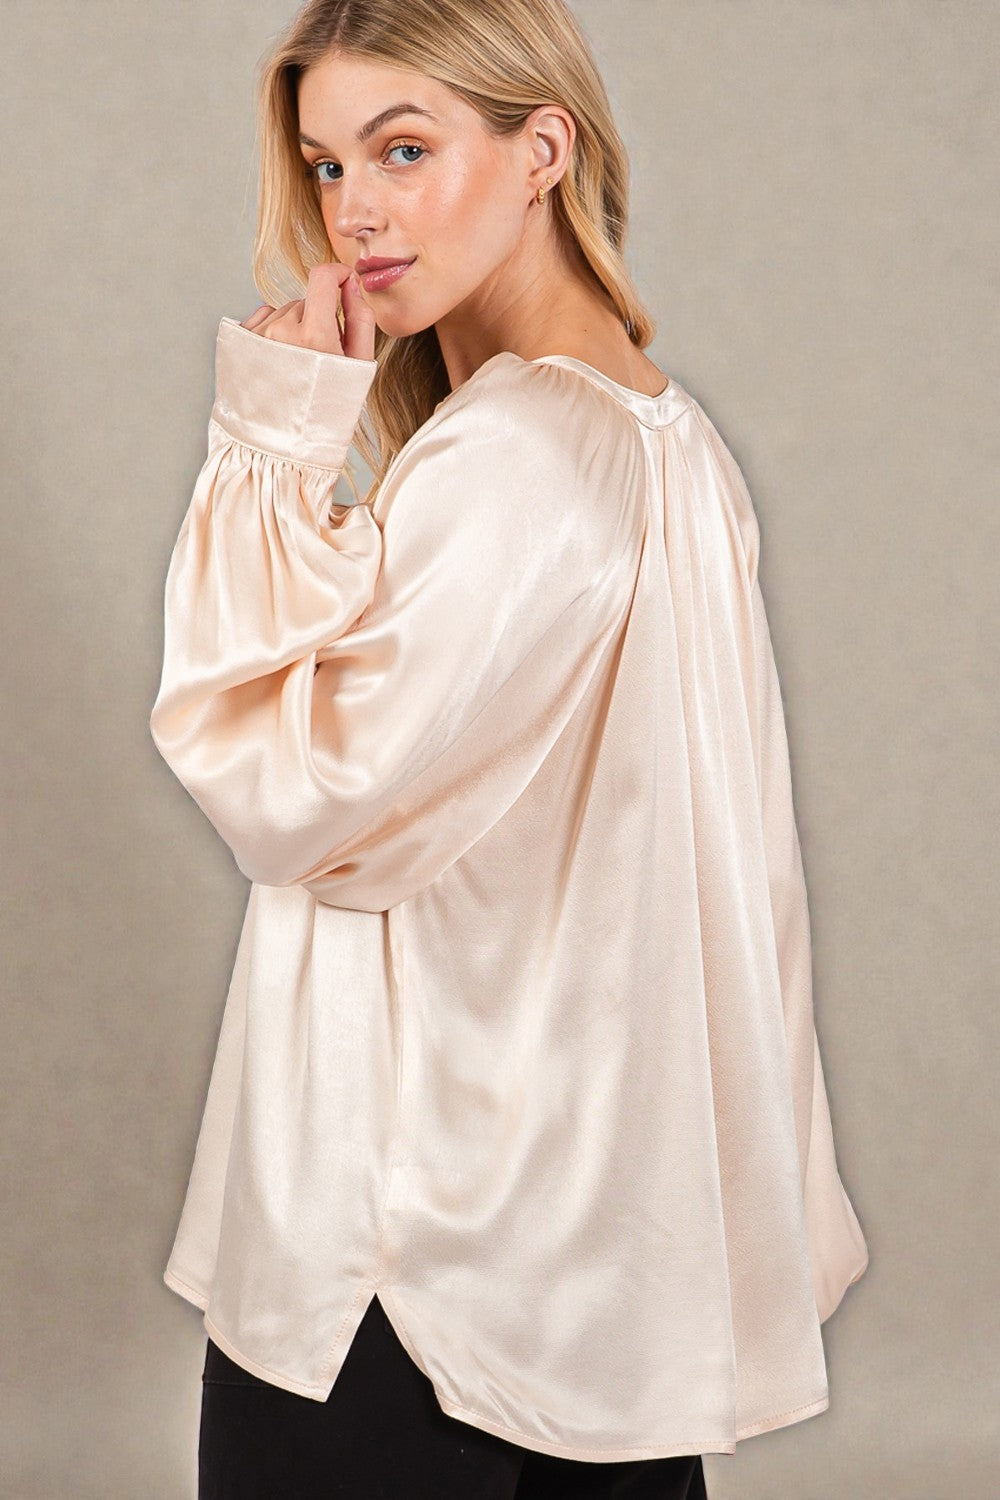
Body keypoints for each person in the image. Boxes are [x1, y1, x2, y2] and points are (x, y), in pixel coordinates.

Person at [148, 0, 870, 1495]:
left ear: (542, 148)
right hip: (595, 1260)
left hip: (413, 1260)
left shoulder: (517, 458)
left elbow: (296, 798)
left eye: (404, 151)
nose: (356, 216)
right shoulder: (669, 439)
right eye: (329, 165)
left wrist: (270, 448)